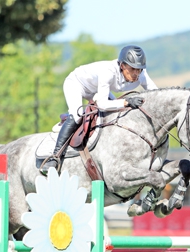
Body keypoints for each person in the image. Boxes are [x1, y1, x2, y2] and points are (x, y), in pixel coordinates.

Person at [40, 45, 158, 176]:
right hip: (77, 84)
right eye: (132, 69)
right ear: (123, 65)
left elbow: (157, 94)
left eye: (139, 70)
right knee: (77, 115)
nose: (136, 74)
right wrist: (127, 102)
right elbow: (102, 104)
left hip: (97, 90)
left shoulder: (141, 75)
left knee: (116, 114)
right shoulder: (108, 71)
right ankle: (54, 157)